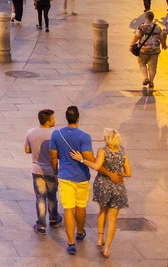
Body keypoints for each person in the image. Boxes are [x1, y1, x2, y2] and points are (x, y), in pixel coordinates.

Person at [50, 105, 95, 254]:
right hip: (81, 177)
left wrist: (56, 171)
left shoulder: (57, 134)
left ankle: (70, 243)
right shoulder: (84, 136)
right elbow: (89, 158)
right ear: (78, 119)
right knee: (81, 206)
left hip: (65, 177)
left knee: (68, 209)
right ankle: (80, 232)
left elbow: (53, 156)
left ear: (66, 118)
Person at [89, 128, 131, 258]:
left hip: (104, 186)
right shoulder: (122, 153)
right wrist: (119, 174)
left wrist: (83, 160)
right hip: (118, 188)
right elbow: (128, 173)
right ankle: (107, 248)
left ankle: (100, 239)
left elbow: (97, 166)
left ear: (106, 139)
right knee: (112, 220)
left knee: (102, 212)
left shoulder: (102, 151)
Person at [25, 109, 63, 235]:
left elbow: (27, 149)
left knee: (40, 198)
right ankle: (53, 218)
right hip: (51, 171)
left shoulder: (30, 132)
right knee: (52, 197)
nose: (54, 120)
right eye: (53, 118)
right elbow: (57, 154)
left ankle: (41, 224)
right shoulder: (55, 134)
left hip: (36, 170)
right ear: (48, 121)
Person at [130, 10, 164, 92]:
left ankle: (145, 77)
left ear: (146, 18)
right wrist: (163, 44)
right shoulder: (157, 27)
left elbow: (136, 36)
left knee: (142, 63)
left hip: (144, 49)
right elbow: (161, 37)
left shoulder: (142, 27)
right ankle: (151, 81)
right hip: (155, 49)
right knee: (153, 66)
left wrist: (131, 45)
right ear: (152, 18)